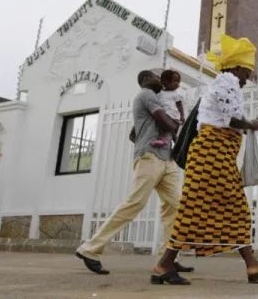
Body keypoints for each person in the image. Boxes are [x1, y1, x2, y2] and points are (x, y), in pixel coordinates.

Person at [151, 34, 258, 285]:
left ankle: (252, 265)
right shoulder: (227, 80)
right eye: (248, 72)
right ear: (239, 67)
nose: (248, 78)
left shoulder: (225, 84)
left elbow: (228, 117)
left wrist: (246, 125)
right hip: (211, 155)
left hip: (216, 155)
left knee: (226, 208)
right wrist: (252, 124)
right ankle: (163, 264)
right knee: (208, 209)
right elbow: (232, 120)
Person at [75, 70, 193, 275]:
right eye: (155, 76)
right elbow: (166, 122)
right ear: (146, 80)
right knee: (135, 203)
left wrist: (152, 134)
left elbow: (133, 134)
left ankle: (168, 258)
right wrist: (177, 125)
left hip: (166, 159)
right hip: (150, 157)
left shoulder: (158, 99)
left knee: (175, 207)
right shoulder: (146, 94)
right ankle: (90, 249)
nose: (160, 78)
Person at [151, 70, 184, 148]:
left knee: (170, 130)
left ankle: (175, 140)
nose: (177, 84)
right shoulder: (160, 93)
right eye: (175, 81)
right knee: (162, 128)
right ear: (165, 82)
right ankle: (165, 140)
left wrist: (182, 116)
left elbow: (179, 105)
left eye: (178, 82)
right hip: (165, 115)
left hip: (173, 116)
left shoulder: (176, 94)